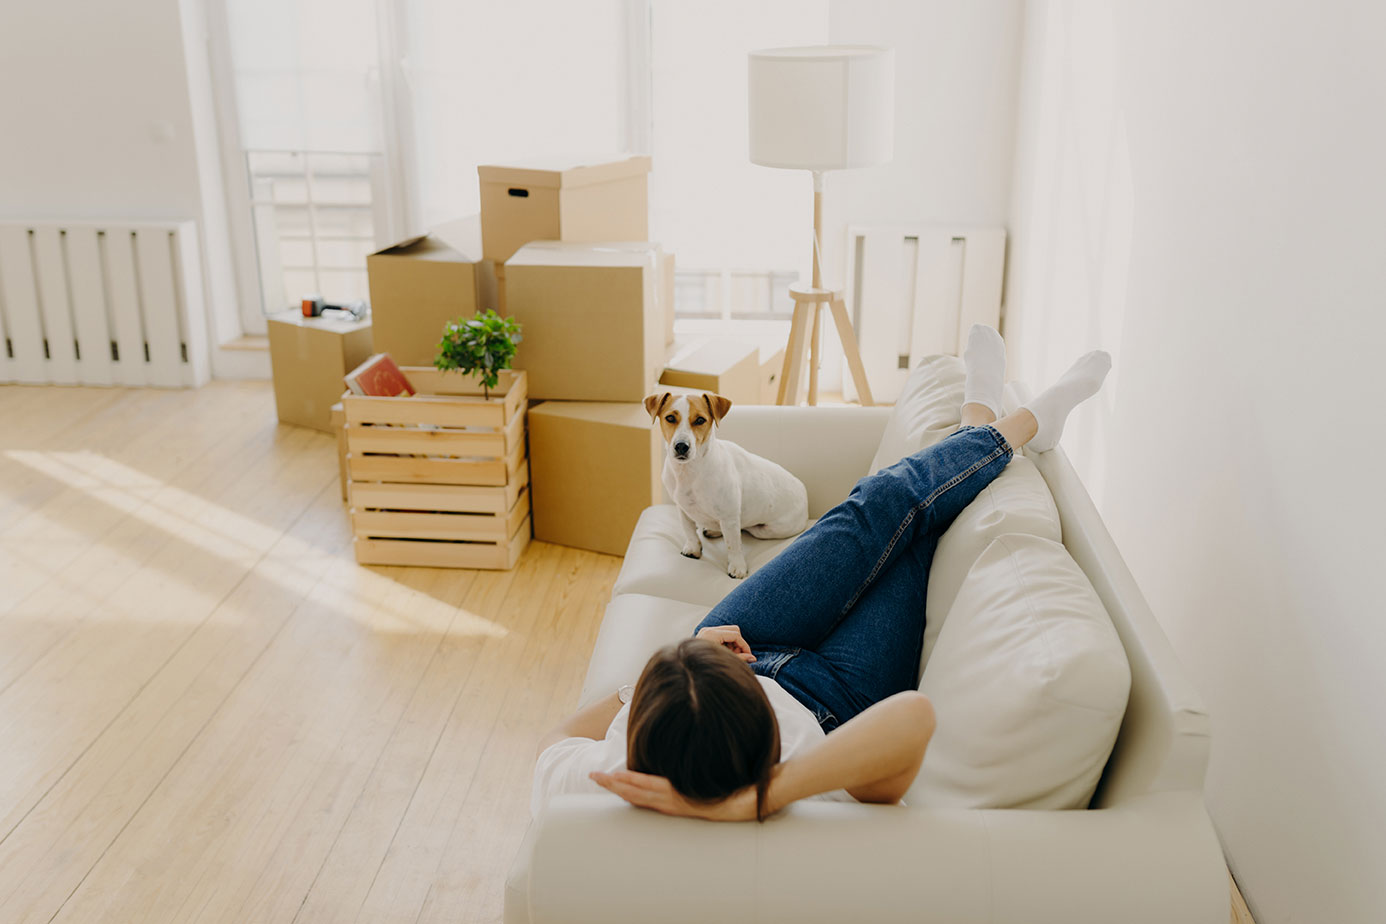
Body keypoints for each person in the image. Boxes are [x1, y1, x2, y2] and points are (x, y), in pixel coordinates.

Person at [532, 327, 1111, 822]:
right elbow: (914, 718)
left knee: (868, 510)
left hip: (712, 661)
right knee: (908, 528)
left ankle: (983, 418)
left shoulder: (599, 779)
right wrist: (759, 798)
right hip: (836, 697)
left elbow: (556, 743)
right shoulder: (808, 786)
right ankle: (1014, 421)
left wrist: (677, 671)